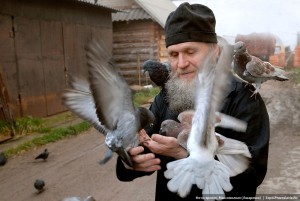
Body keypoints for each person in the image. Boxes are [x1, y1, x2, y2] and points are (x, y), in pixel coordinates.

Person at [116, 2, 270, 201]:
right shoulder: (166, 96)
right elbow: (136, 157)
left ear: (214, 51)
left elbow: (252, 177)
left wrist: (186, 155)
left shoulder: (245, 100)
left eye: (190, 52)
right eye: (173, 54)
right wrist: (131, 160)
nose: (181, 64)